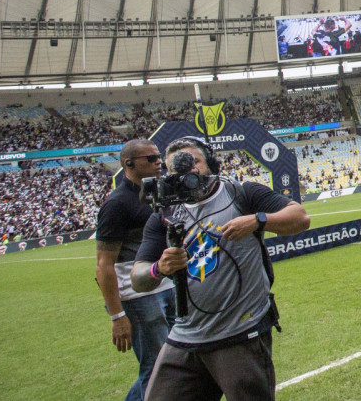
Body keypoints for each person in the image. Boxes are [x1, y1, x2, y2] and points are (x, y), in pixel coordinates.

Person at [131, 137, 310, 401]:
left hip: (239, 336)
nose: (187, 172)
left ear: (212, 164)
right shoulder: (164, 215)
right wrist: (159, 269)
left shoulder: (242, 194)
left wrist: (258, 221)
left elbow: (300, 218)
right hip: (184, 338)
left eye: (194, 163)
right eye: (176, 169)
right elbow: (138, 277)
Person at [95, 139, 178, 401]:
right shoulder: (117, 204)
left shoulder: (158, 193)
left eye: (159, 157)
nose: (158, 163)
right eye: (150, 159)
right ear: (128, 163)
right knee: (156, 368)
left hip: (166, 285)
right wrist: (117, 316)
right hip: (139, 295)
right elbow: (103, 264)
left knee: (174, 360)